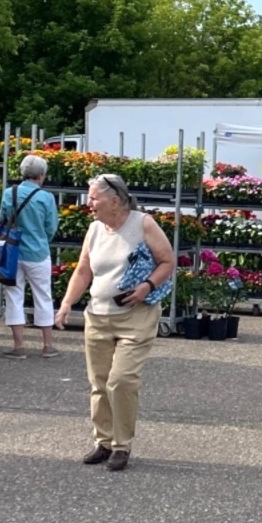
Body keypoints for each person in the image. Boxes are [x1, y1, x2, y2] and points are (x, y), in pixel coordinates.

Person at [54, 174, 175, 472]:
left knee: (121, 380)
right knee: (99, 383)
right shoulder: (95, 229)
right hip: (97, 316)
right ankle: (104, 441)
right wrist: (67, 303)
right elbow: (83, 270)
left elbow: (168, 261)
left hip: (137, 316)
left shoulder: (143, 223)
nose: (89, 203)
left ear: (115, 200)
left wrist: (147, 286)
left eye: (94, 198)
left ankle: (122, 445)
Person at [0, 155, 61, 360]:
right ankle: (47, 345)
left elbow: (3, 219)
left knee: (13, 296)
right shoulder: (46, 197)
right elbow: (51, 227)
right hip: (38, 252)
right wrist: (42, 238)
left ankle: (18, 346)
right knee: (43, 296)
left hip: (12, 252)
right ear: (41, 175)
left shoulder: (9, 193)